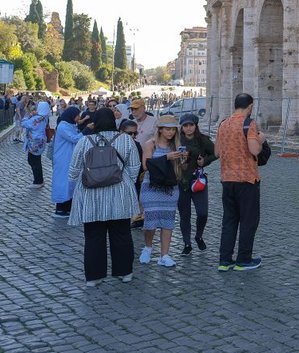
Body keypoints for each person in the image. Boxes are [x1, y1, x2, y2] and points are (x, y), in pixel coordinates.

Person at [68, 108, 141, 286]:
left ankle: (94, 276)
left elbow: (73, 170)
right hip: (119, 193)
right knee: (122, 234)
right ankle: (125, 272)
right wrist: (124, 181)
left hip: (91, 194)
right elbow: (134, 168)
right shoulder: (126, 139)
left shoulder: (85, 141)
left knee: (93, 236)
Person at [216, 93, 265, 271]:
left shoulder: (223, 124)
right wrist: (260, 141)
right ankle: (244, 259)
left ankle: (224, 260)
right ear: (250, 106)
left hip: (227, 179)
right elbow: (254, 149)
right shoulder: (249, 123)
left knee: (229, 220)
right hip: (246, 179)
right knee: (248, 220)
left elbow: (217, 152)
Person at [139, 115, 188, 267]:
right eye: (167, 129)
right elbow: (146, 166)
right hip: (152, 186)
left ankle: (164, 254)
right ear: (160, 130)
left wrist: (183, 160)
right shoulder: (150, 144)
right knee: (150, 220)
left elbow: (183, 170)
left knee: (168, 220)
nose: (170, 132)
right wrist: (166, 157)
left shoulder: (177, 145)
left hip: (170, 188)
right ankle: (148, 247)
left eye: (173, 129)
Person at [177, 113, 216, 255]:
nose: (188, 128)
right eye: (185, 126)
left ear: (195, 126)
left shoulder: (203, 140)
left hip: (198, 181)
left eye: (191, 125)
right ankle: (187, 243)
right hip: (182, 182)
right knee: (184, 215)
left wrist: (204, 161)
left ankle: (199, 236)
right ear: (181, 127)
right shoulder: (176, 141)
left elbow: (216, 153)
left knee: (202, 213)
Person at [51, 106, 83, 218]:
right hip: (62, 159)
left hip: (68, 158)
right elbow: (74, 138)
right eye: (78, 115)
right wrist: (86, 131)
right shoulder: (63, 126)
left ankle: (68, 207)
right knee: (62, 183)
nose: (79, 117)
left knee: (70, 183)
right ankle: (60, 208)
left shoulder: (70, 125)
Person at [21, 100, 52, 188]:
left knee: (33, 161)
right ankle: (39, 180)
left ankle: (38, 181)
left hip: (35, 142)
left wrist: (28, 115)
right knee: (35, 160)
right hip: (40, 141)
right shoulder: (45, 117)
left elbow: (24, 124)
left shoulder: (37, 118)